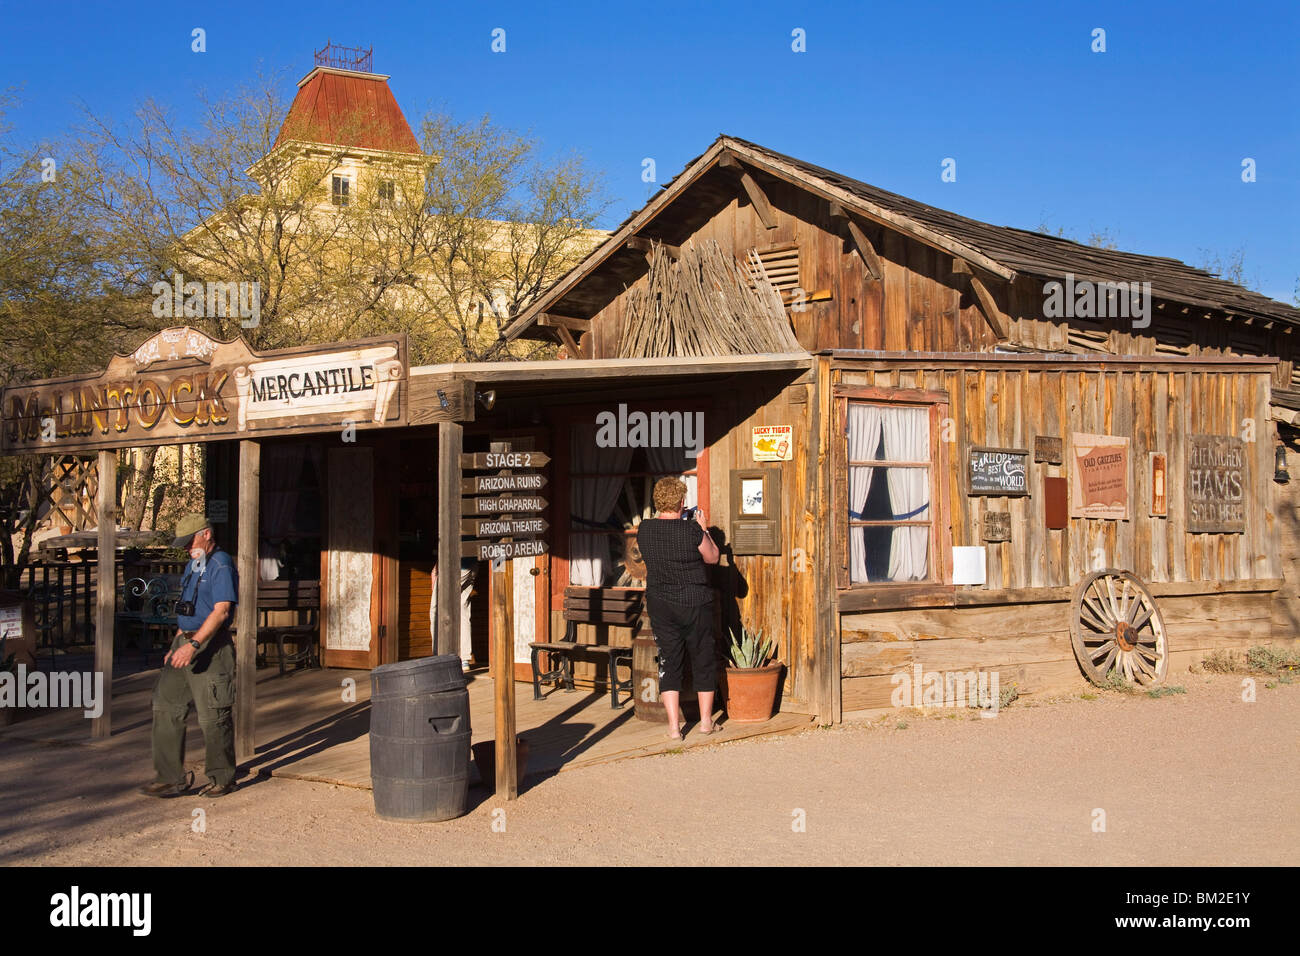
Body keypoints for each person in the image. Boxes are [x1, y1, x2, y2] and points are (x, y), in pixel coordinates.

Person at [139, 514, 239, 798]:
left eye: (190, 540)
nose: (186, 548)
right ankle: (170, 777)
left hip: (209, 646)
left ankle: (222, 777)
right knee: (165, 704)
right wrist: (177, 643)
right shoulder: (194, 563)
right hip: (184, 643)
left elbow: (220, 611)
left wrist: (193, 645)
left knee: (213, 714)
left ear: (206, 534)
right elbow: (189, 607)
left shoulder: (221, 564)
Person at [634, 477, 721, 740]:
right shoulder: (692, 531)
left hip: (661, 603)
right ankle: (706, 722)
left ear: (658, 502)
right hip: (695, 602)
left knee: (669, 660)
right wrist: (704, 529)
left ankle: (674, 728)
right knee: (703, 659)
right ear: (682, 502)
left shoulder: (644, 529)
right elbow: (713, 557)